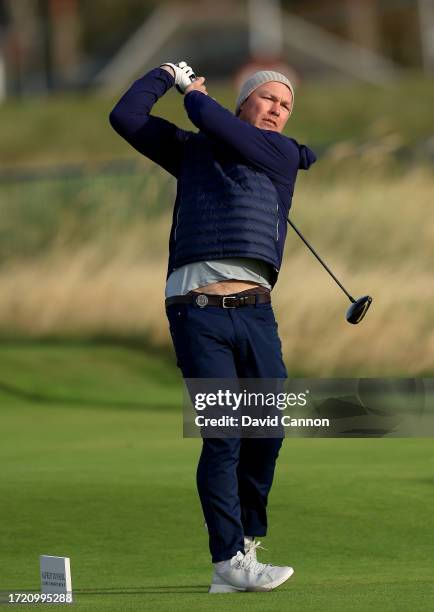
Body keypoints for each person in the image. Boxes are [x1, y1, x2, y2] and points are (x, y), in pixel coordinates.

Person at [109, 61, 316, 593]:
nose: (278, 109)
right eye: (268, 99)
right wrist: (163, 73)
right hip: (196, 311)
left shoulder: (282, 153)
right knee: (222, 436)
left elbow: (216, 122)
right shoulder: (191, 150)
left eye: (286, 105)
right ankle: (227, 560)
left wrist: (193, 94)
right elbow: (126, 116)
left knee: (268, 431)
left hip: (255, 311)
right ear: (244, 100)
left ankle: (244, 545)